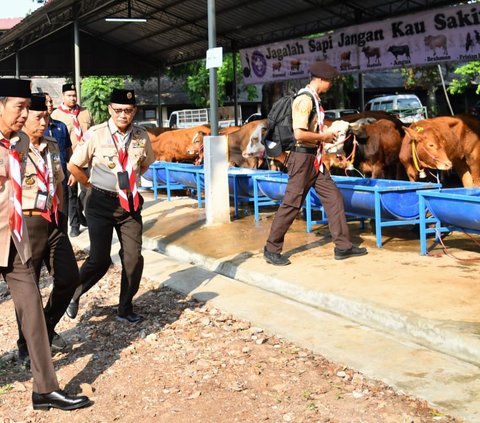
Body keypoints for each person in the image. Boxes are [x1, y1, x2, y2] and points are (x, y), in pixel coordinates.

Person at [0, 78, 91, 411]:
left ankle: (44, 389)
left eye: (29, 108)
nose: (26, 115)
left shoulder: (22, 142)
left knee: (34, 308)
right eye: (19, 107)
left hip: (15, 237)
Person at [263, 61, 368, 266]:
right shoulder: (304, 100)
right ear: (321, 79)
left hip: (314, 160)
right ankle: (271, 248)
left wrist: (324, 136)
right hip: (302, 159)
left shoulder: (314, 99)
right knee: (292, 204)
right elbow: (299, 133)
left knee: (333, 197)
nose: (330, 85)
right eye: (329, 81)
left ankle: (343, 246)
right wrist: (324, 136)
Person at [66, 88, 155, 323]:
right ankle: (73, 294)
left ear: (134, 111)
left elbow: (145, 164)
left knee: (133, 257)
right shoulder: (96, 134)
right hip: (100, 203)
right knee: (100, 258)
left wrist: (130, 182)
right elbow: (74, 165)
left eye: (128, 110)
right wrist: (89, 186)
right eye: (118, 110)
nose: (123, 115)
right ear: (109, 110)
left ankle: (125, 307)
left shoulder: (141, 136)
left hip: (130, 205)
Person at [15, 93, 80, 363]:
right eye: (38, 117)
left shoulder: (52, 145)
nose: (44, 122)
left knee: (69, 279)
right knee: (28, 290)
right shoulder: (13, 146)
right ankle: (24, 345)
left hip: (52, 221)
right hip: (27, 223)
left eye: (46, 117)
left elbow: (60, 183)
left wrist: (62, 218)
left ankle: (45, 328)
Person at [51, 83, 92, 237]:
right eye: (69, 95)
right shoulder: (56, 115)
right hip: (70, 161)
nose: (72, 98)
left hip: (87, 160)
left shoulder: (85, 113)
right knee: (71, 193)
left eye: (74, 95)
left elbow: (92, 133)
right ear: (63, 96)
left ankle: (81, 214)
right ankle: (74, 224)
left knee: (90, 190)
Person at [44, 92, 72, 225]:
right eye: (46, 102)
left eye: (50, 101)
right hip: (44, 180)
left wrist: (71, 171)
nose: (50, 104)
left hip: (61, 177)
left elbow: (68, 150)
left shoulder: (61, 126)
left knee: (63, 210)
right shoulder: (33, 129)